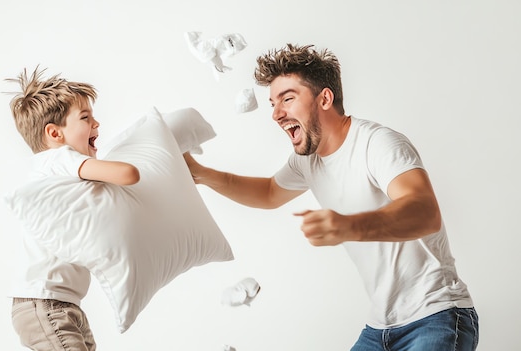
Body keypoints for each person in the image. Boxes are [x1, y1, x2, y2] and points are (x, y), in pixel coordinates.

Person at [183, 44, 479, 351]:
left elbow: (424, 211)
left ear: (324, 98)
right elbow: (270, 192)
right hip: (379, 329)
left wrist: (349, 226)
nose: (275, 113)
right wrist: (201, 174)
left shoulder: (378, 144)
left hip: (436, 315)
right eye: (273, 102)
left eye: (288, 98)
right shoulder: (307, 161)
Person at [6, 67, 140, 351]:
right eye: (85, 118)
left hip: (58, 303)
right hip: (46, 303)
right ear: (55, 133)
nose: (97, 124)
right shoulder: (60, 158)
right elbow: (129, 174)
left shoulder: (51, 169)